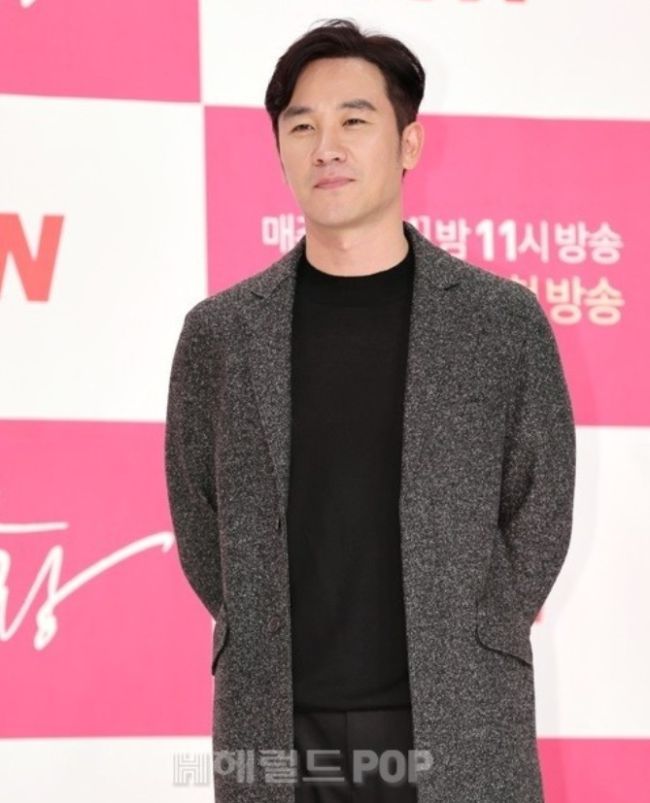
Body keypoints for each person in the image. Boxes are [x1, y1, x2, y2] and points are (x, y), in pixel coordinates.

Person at [165, 18, 576, 803]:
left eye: (354, 121)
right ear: (279, 149)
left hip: (456, 718)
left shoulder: (499, 321)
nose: (327, 147)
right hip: (278, 728)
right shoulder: (221, 333)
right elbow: (199, 514)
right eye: (302, 127)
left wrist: (474, 627)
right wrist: (258, 620)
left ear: (408, 143)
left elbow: (541, 503)